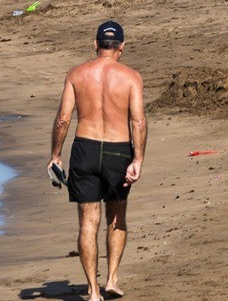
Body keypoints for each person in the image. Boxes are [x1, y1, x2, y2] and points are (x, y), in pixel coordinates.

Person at [50, 21, 146, 301]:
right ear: (122, 47)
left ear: (95, 45)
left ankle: (92, 291)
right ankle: (112, 279)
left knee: (87, 223)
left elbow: (63, 119)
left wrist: (55, 155)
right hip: (118, 150)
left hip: (85, 149)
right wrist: (138, 158)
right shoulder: (131, 77)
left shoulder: (77, 74)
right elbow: (138, 120)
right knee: (116, 217)